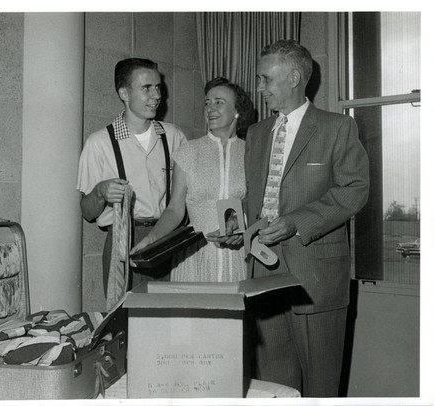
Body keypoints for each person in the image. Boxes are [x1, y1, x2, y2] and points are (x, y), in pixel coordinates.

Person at [234, 40, 369, 397]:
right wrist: (241, 225)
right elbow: (257, 195)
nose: (260, 88)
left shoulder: (337, 128)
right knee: (275, 385)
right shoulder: (258, 133)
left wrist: (294, 222)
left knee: (320, 384)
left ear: (294, 77)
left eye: (266, 79)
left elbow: (354, 190)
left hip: (316, 277)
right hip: (263, 271)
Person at [77, 57, 187, 295]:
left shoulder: (174, 136)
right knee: (125, 320)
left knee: (169, 321)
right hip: (121, 239)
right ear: (124, 94)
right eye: (146, 88)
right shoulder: (99, 143)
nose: (156, 95)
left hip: (167, 235)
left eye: (158, 87)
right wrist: (99, 192)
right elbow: (87, 212)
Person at [131, 77, 256, 282]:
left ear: (237, 111)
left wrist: (242, 228)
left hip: (237, 256)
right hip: (196, 257)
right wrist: (152, 239)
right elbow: (174, 209)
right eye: (207, 103)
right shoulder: (188, 151)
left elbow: (254, 205)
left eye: (218, 102)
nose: (210, 108)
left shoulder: (251, 153)